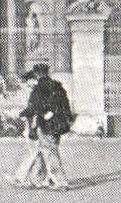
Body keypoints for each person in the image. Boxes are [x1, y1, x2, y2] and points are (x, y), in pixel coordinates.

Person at [8, 62, 74, 190]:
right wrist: (67, 120)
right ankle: (38, 178)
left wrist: (20, 114)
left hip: (46, 125)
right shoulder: (58, 86)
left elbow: (35, 107)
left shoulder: (39, 89)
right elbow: (65, 105)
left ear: (37, 74)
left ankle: (60, 181)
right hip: (58, 124)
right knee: (40, 150)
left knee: (49, 151)